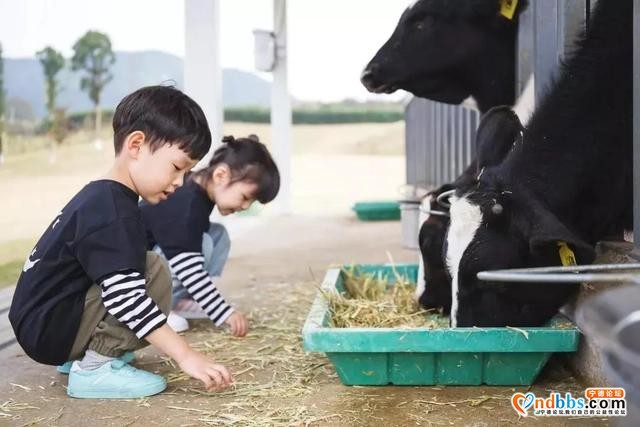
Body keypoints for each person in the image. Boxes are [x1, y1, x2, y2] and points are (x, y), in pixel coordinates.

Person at [9, 85, 233, 399]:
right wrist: (186, 355)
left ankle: (86, 354)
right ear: (137, 145)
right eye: (177, 167)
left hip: (44, 323)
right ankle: (95, 369)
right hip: (50, 330)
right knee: (152, 268)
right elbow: (124, 296)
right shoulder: (115, 211)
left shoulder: (101, 197)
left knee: (134, 265)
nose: (180, 182)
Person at [140, 134, 280, 335]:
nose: (245, 206)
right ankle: (157, 309)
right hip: (136, 278)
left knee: (217, 234)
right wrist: (224, 313)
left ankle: (180, 300)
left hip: (154, 265)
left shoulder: (197, 191)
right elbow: (189, 268)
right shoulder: (185, 204)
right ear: (221, 175)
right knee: (202, 243)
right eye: (245, 197)